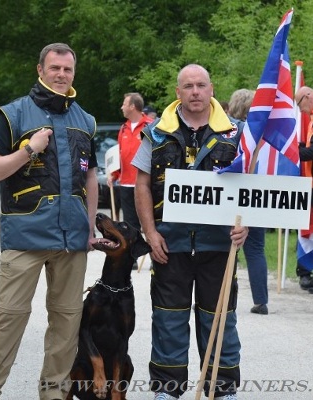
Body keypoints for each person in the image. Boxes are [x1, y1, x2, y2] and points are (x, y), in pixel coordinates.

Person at [0, 42, 98, 400]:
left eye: (67, 69)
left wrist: (89, 229)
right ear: (40, 70)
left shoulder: (85, 120)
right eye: (54, 68)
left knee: (67, 322)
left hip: (72, 240)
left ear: (74, 73)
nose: (61, 75)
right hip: (25, 236)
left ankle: (54, 395)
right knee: (8, 319)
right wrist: (30, 148)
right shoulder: (11, 115)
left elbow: (90, 179)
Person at [132, 64, 248, 400]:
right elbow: (141, 184)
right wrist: (150, 234)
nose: (195, 91)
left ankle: (222, 389)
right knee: (168, 320)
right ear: (177, 92)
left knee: (221, 321)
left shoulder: (237, 133)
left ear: (212, 89)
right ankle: (167, 390)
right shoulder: (154, 133)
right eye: (188, 86)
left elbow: (255, 186)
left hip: (219, 246)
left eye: (200, 85)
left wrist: (246, 226)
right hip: (169, 244)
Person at [228, 88, 269, 314]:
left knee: (226, 244)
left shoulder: (230, 130)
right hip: (256, 193)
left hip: (232, 193)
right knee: (256, 249)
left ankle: (223, 293)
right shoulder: (261, 131)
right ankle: (261, 300)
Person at [108, 92, 153, 268]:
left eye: (124, 104)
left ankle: (154, 255)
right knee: (129, 224)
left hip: (145, 184)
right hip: (126, 183)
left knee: (149, 221)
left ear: (132, 106)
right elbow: (121, 155)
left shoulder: (150, 126)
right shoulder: (124, 128)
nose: (122, 107)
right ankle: (131, 258)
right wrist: (115, 175)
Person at [294, 85, 313, 294]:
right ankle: (305, 271)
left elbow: (311, 152)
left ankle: (305, 271)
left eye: (300, 105)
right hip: (309, 182)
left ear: (307, 97)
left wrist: (294, 151)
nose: (301, 111)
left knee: (308, 227)